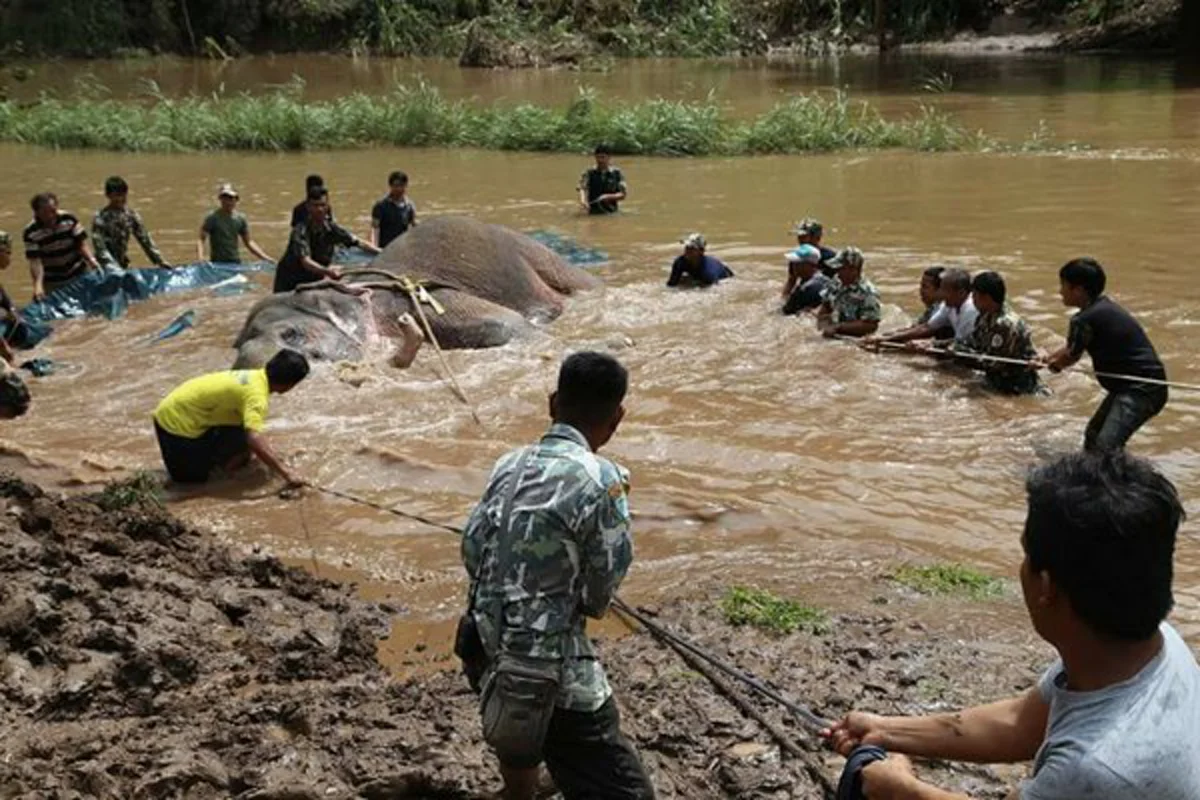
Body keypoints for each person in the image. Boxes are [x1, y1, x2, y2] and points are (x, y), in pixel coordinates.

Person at [825, 450, 1200, 800]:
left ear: (1047, 587)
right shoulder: (1151, 645)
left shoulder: (1095, 768)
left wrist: (899, 789)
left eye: (1026, 554)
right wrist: (885, 730)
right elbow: (1019, 723)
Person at [460, 351, 654, 800]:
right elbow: (601, 589)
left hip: (480, 645)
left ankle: (520, 791)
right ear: (617, 417)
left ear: (552, 403)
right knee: (630, 791)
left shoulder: (507, 464)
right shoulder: (605, 478)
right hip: (543, 667)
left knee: (523, 728)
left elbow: (472, 547)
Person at [1041, 258, 1167, 452]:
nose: (1060, 291)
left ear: (1079, 290)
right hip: (1134, 386)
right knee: (1093, 434)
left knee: (1106, 447)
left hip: (1141, 390)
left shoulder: (1083, 319)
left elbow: (1072, 356)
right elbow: (1070, 348)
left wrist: (1055, 366)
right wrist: (1047, 359)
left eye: (1064, 286)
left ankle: (1111, 481)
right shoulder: (1102, 307)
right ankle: (1096, 476)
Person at [152, 349, 310, 486]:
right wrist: (286, 473)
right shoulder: (256, 397)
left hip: (186, 409)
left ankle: (227, 464)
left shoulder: (254, 375)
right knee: (191, 483)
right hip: (173, 423)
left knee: (244, 429)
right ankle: (223, 468)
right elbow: (254, 438)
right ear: (289, 385)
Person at [274, 186, 380, 294]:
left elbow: (358, 243)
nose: (320, 209)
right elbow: (306, 262)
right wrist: (328, 271)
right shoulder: (300, 231)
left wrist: (381, 252)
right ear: (308, 207)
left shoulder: (332, 229)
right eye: (315, 205)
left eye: (323, 205)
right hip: (289, 283)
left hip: (314, 281)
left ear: (328, 206)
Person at [957, 271, 1043, 396]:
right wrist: (938, 345)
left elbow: (993, 363)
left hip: (1018, 389)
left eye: (974, 296)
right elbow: (971, 341)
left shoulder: (1004, 324)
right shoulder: (985, 316)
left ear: (986, 298)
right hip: (996, 383)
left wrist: (959, 354)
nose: (972, 300)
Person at [865, 267, 976, 351]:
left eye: (944, 290)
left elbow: (961, 343)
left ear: (961, 292)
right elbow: (926, 328)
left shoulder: (970, 310)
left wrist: (930, 344)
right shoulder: (948, 305)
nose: (940, 294)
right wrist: (886, 338)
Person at [22, 192, 101, 301]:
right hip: (52, 281)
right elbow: (36, 262)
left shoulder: (69, 219)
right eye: (45, 213)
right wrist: (38, 286)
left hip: (78, 273)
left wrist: (92, 261)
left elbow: (81, 244)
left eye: (53, 211)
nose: (50, 216)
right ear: (37, 213)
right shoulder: (30, 232)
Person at [92, 176, 171, 270]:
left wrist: (160, 261)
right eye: (117, 195)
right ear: (108, 196)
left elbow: (145, 240)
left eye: (123, 195)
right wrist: (112, 266)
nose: (121, 198)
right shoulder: (100, 218)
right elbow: (100, 248)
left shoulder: (131, 216)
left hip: (122, 264)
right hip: (103, 266)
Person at [197, 184, 272, 264]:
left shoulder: (240, 219)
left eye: (231, 198)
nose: (228, 202)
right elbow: (201, 240)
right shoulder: (212, 218)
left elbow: (249, 242)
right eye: (225, 198)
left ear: (236, 200)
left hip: (235, 262)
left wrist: (266, 258)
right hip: (217, 263)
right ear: (220, 199)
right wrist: (200, 258)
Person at [816, 247, 881, 339]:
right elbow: (825, 308)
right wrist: (823, 327)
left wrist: (838, 327)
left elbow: (871, 325)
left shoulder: (868, 292)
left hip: (855, 339)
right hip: (834, 332)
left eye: (841, 268)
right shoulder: (836, 282)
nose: (837, 272)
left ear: (853, 269)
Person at [371, 170, 417, 249]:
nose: (399, 189)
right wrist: (374, 247)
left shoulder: (409, 206)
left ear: (406, 186)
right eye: (396, 186)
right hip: (384, 248)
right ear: (390, 186)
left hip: (401, 249)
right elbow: (374, 229)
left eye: (402, 185)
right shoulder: (380, 205)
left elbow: (414, 228)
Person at [780, 244, 832, 315]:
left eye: (798, 263)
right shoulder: (824, 279)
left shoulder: (806, 288)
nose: (794, 266)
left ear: (809, 264)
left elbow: (785, 312)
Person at [666, 233, 733, 288]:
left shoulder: (709, 273)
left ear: (701, 251)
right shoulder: (679, 262)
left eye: (692, 248)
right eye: (687, 247)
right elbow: (672, 284)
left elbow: (712, 292)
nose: (687, 250)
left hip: (725, 278)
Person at [577, 145, 627, 215]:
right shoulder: (589, 172)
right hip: (592, 212)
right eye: (597, 157)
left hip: (612, 212)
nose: (600, 160)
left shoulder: (617, 173)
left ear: (609, 157)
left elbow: (623, 195)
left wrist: (607, 197)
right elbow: (582, 188)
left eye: (603, 157)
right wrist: (583, 200)